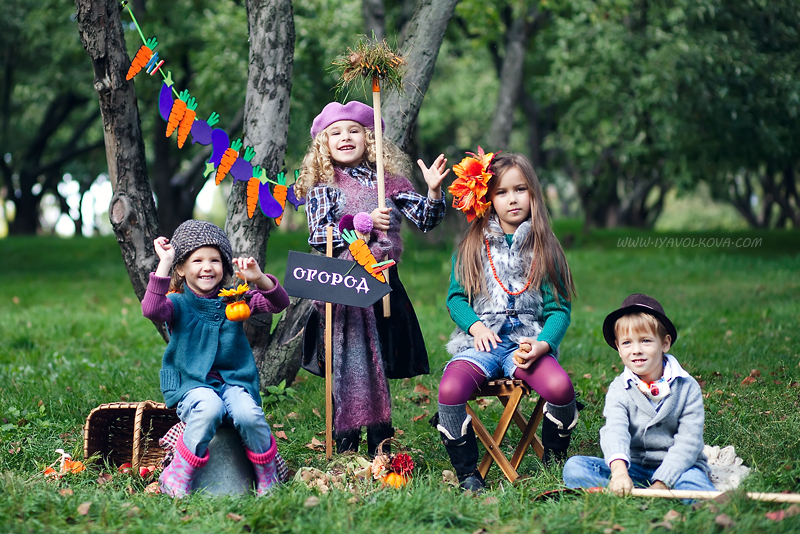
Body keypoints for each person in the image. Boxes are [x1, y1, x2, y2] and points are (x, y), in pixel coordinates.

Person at [294, 101, 448, 456]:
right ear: (324, 144)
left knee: (376, 356)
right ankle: (345, 443)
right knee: (344, 358)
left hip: (382, 283)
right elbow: (319, 235)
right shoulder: (324, 185)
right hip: (341, 283)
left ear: (368, 138)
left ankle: (382, 443)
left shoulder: (388, 182)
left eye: (353, 131)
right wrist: (361, 222)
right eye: (335, 133)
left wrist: (434, 191)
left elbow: (425, 220)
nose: (345, 138)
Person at [435, 150, 577, 491]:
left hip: (526, 344)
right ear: (487, 198)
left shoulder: (547, 247)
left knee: (560, 388)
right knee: (450, 389)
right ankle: (469, 473)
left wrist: (543, 344)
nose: (512, 199)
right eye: (501, 192)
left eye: (520, 189)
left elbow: (559, 309)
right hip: (481, 342)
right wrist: (475, 326)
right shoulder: (471, 245)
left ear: (533, 194)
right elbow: (456, 299)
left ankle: (552, 464)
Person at [141, 220, 290, 497]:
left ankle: (267, 474)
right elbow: (151, 309)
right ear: (182, 269)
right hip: (191, 384)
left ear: (225, 268)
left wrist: (258, 278)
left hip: (234, 382)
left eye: (215, 260)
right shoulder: (177, 304)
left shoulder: (234, 300)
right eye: (197, 260)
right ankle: (178, 473)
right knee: (209, 408)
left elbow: (279, 302)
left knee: (248, 414)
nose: (207, 267)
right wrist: (165, 262)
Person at [562, 294, 715, 494]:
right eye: (627, 343)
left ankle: (693, 502)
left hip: (678, 467)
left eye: (645, 341)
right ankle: (627, 487)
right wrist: (619, 472)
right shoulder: (620, 389)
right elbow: (615, 431)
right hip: (633, 467)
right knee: (574, 467)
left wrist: (663, 480)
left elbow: (689, 441)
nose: (636, 350)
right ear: (618, 348)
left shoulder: (686, 387)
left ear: (665, 343)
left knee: (694, 480)